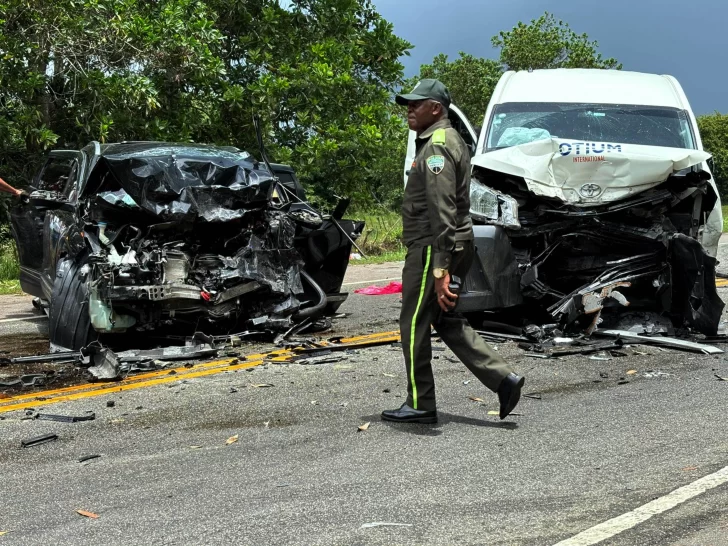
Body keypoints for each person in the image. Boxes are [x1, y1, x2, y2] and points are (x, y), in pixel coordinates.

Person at [382, 79, 524, 424]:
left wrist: (440, 268)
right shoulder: (447, 140)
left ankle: (420, 403)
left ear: (436, 108)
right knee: (445, 319)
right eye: (407, 105)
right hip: (449, 244)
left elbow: (442, 208)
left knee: (413, 322)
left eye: (416, 104)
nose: (409, 110)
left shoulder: (436, 147)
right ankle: (503, 378)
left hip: (434, 247)